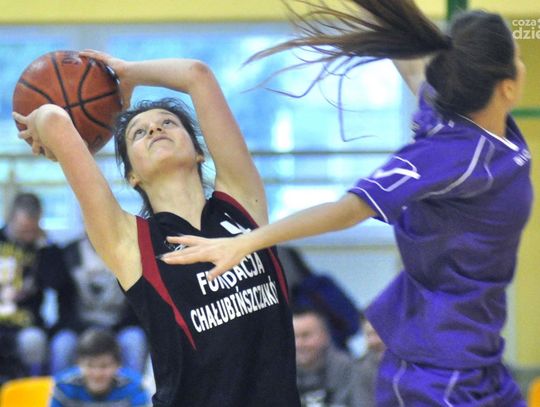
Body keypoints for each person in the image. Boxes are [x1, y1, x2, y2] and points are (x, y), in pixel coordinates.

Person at [155, 1, 530, 405]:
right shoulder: (451, 154)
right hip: (438, 362)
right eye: (517, 57)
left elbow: (411, 63)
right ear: (507, 87)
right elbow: (348, 209)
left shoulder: (471, 128)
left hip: (478, 353)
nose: (522, 63)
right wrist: (245, 241)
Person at [14, 51, 300, 406]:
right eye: (138, 132)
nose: (155, 129)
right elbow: (55, 119)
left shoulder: (242, 202)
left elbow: (197, 75)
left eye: (168, 122)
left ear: (199, 152)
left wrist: (130, 71)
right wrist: (44, 118)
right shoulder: (132, 243)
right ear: (132, 175)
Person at [50, 234, 147, 374]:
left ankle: (133, 387)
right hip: (78, 327)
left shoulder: (131, 252)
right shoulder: (69, 253)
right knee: (62, 344)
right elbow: (63, 302)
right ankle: (61, 387)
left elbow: (138, 302)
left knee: (135, 340)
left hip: (120, 325)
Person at [0, 192, 72, 381]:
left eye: (33, 229)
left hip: (27, 322)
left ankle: (34, 389)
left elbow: (55, 283)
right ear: (10, 218)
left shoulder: (45, 248)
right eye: (23, 229)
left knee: (34, 341)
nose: (28, 235)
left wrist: (45, 248)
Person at [51, 328, 150, 406]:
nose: (97, 374)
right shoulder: (63, 387)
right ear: (78, 364)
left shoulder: (134, 387)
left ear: (118, 365)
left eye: (104, 366)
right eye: (90, 365)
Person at [293, 307, 356, 407]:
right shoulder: (277, 374)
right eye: (293, 337)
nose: (298, 344)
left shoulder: (349, 369)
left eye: (305, 336)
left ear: (325, 336)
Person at [351, 313, 386, 407]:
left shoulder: (417, 363)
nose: (373, 341)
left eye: (377, 333)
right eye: (368, 335)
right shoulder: (362, 370)